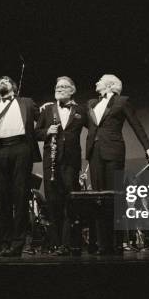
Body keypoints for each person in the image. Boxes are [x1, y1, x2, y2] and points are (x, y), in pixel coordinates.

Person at [85, 74, 149, 255]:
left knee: (115, 198)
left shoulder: (122, 101)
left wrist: (147, 147)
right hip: (94, 153)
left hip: (113, 152)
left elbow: (136, 124)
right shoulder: (92, 103)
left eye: (99, 80)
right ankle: (102, 244)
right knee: (99, 199)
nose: (96, 82)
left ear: (110, 85)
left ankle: (117, 244)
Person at [0, 76, 41, 257]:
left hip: (21, 148)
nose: (2, 82)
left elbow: (42, 120)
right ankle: (5, 243)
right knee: (3, 197)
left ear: (14, 87)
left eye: (6, 80)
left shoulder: (26, 102)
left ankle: (18, 243)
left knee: (20, 195)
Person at [35, 76, 87, 255]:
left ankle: (69, 243)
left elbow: (95, 127)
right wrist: (46, 132)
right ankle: (56, 244)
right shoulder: (48, 110)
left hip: (71, 162)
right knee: (53, 202)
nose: (59, 89)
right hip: (51, 161)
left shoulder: (81, 110)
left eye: (63, 87)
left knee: (70, 203)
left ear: (72, 90)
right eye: (57, 86)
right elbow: (36, 133)